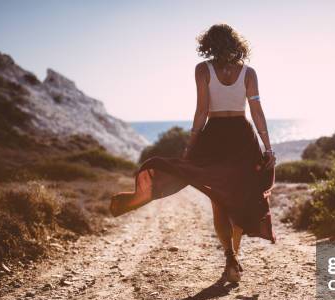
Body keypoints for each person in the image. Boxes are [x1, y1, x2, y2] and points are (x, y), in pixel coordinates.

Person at [110, 23, 276, 284]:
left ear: (208, 44)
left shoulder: (203, 69)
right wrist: (268, 147)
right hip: (242, 138)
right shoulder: (249, 73)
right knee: (240, 198)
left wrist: (190, 147)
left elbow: (202, 111)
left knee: (219, 201)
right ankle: (234, 258)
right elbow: (257, 112)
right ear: (236, 43)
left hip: (215, 137)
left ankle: (230, 257)